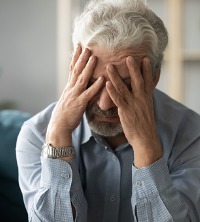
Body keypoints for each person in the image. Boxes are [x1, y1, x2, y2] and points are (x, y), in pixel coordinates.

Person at [16, 0, 200, 221]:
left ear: (154, 78)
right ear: (74, 72)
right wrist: (58, 139)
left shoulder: (192, 135)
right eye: (92, 83)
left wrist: (146, 146)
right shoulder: (37, 134)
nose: (104, 104)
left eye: (124, 86)